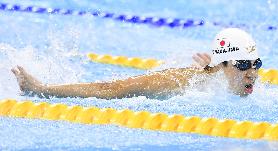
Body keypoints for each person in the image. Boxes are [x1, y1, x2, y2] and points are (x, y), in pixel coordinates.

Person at [11, 28, 262, 99]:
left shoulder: (232, 80)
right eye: (242, 65)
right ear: (223, 65)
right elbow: (111, 89)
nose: (252, 73)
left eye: (256, 63)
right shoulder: (182, 82)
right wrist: (42, 88)